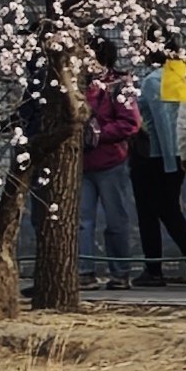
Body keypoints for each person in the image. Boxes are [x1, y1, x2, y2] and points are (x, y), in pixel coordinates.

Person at [130, 42, 186, 288]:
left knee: (149, 213)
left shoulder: (152, 81)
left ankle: (155, 268)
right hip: (180, 154)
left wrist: (172, 161)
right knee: (168, 207)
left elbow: (162, 123)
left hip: (155, 156)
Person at [78, 51, 145, 281]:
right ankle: (84, 272)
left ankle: (120, 273)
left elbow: (131, 123)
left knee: (116, 219)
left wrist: (97, 135)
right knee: (82, 222)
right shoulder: (73, 83)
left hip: (111, 162)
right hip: (82, 164)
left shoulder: (119, 85)